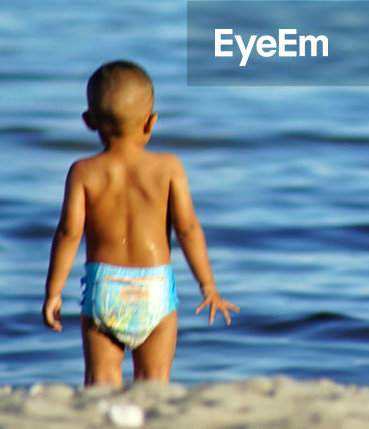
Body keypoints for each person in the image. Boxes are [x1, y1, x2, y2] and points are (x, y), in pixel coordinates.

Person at [43, 60, 238, 385]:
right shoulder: (168, 168)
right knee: (154, 382)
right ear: (151, 122)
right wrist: (208, 286)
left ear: (89, 122)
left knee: (101, 382)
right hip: (154, 291)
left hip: (105, 290)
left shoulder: (83, 172)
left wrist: (53, 291)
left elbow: (68, 233)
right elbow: (188, 229)